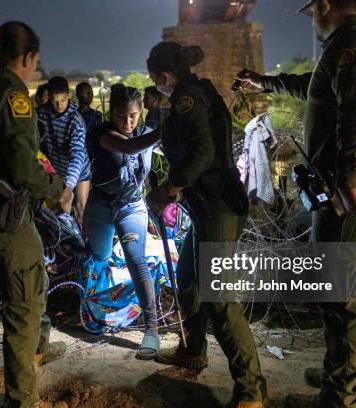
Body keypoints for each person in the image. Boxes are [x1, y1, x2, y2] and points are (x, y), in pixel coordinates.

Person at [237, 1, 356, 407]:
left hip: (351, 190)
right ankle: (352, 376)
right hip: (352, 185)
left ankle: (342, 395)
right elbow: (316, 87)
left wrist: (348, 180)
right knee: (352, 289)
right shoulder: (355, 43)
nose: (314, 23)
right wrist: (265, 82)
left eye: (313, 14)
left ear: (325, 6)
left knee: (343, 292)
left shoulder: (353, 44)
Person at [146, 41, 267, 408]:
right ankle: (193, 349)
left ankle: (251, 390)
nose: (159, 87)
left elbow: (203, 152)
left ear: (165, 76)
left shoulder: (188, 98)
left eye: (157, 81)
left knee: (219, 299)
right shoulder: (193, 93)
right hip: (203, 205)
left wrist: (172, 186)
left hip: (217, 205)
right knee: (187, 278)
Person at [0, 21, 73, 407]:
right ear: (27, 57)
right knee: (24, 306)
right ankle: (22, 398)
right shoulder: (15, 95)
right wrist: (57, 191)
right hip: (6, 214)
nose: (35, 69)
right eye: (35, 61)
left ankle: (36, 350)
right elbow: (24, 166)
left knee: (34, 281)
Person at [84, 84, 162, 359]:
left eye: (133, 116)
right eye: (120, 116)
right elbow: (128, 148)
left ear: (140, 113)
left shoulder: (144, 134)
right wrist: (165, 129)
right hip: (100, 206)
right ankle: (96, 312)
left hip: (132, 207)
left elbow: (168, 152)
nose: (127, 122)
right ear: (110, 113)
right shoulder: (102, 133)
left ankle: (151, 329)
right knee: (98, 258)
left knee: (135, 259)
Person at [38, 76, 91, 225]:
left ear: (69, 96)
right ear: (49, 97)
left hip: (79, 170)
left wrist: (69, 186)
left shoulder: (76, 121)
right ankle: (65, 244)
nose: (59, 105)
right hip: (56, 168)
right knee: (62, 212)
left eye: (63, 100)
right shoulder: (40, 115)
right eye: (55, 101)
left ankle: (84, 243)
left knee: (81, 209)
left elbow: (77, 155)